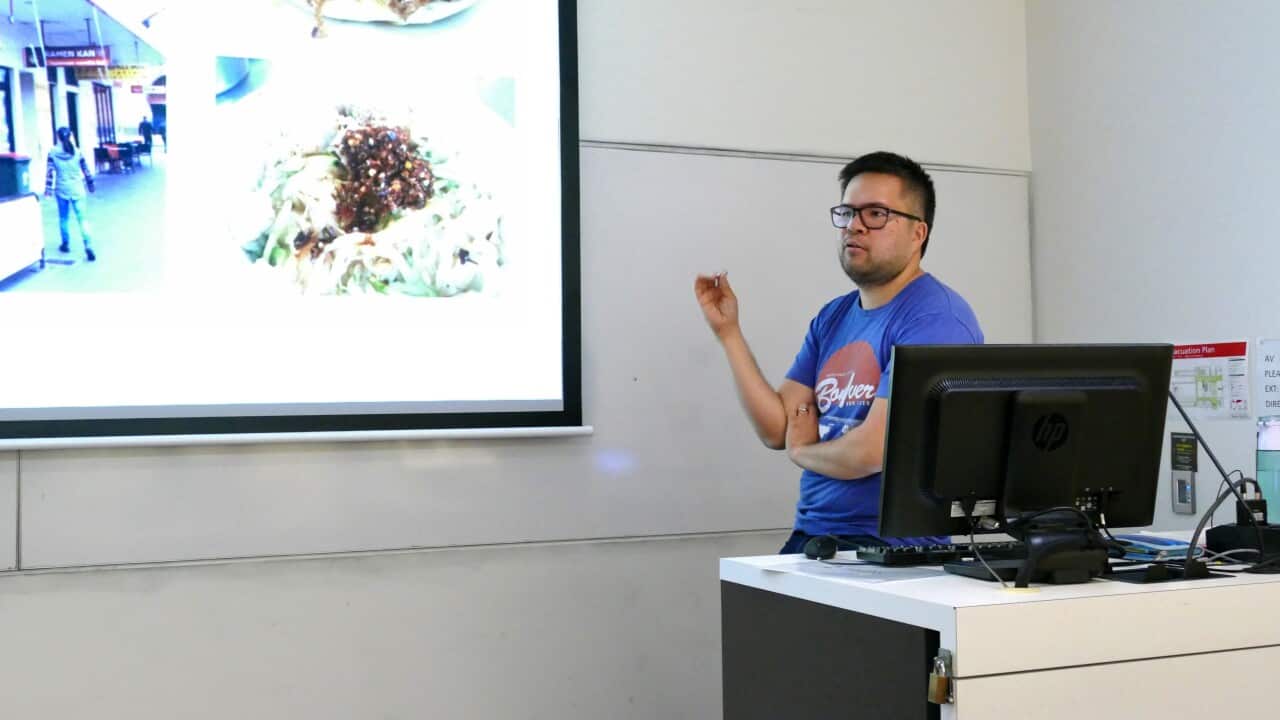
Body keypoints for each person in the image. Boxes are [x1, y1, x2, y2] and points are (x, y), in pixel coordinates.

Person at [694, 151, 983, 554]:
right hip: (815, 535)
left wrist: (804, 450)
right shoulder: (834, 316)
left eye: (876, 214)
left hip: (893, 547)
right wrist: (729, 333)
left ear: (919, 233)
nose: (855, 226)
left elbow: (869, 452)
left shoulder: (937, 319)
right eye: (847, 212)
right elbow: (777, 428)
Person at [44, 126, 97, 262]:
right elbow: (85, 169)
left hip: (62, 190)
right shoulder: (77, 152)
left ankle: (65, 243)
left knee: (63, 218)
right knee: (82, 219)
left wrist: (48, 190)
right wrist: (90, 184)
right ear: (70, 136)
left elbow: (50, 173)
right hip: (78, 189)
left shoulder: (52, 153)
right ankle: (88, 245)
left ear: (58, 137)